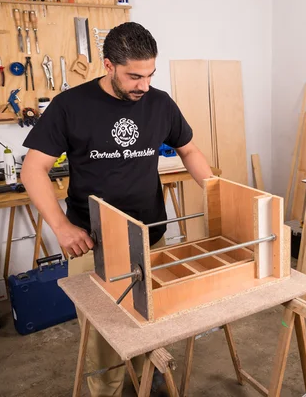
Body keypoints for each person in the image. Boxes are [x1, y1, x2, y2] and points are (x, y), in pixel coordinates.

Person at [20, 22, 212, 396]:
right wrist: (61, 227)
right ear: (108, 65)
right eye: (134, 76)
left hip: (150, 236)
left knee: (150, 321)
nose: (144, 85)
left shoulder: (160, 103)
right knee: (102, 344)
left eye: (150, 75)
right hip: (95, 246)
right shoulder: (70, 106)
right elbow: (33, 169)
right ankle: (107, 388)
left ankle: (145, 373)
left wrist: (218, 191)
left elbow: (188, 150)